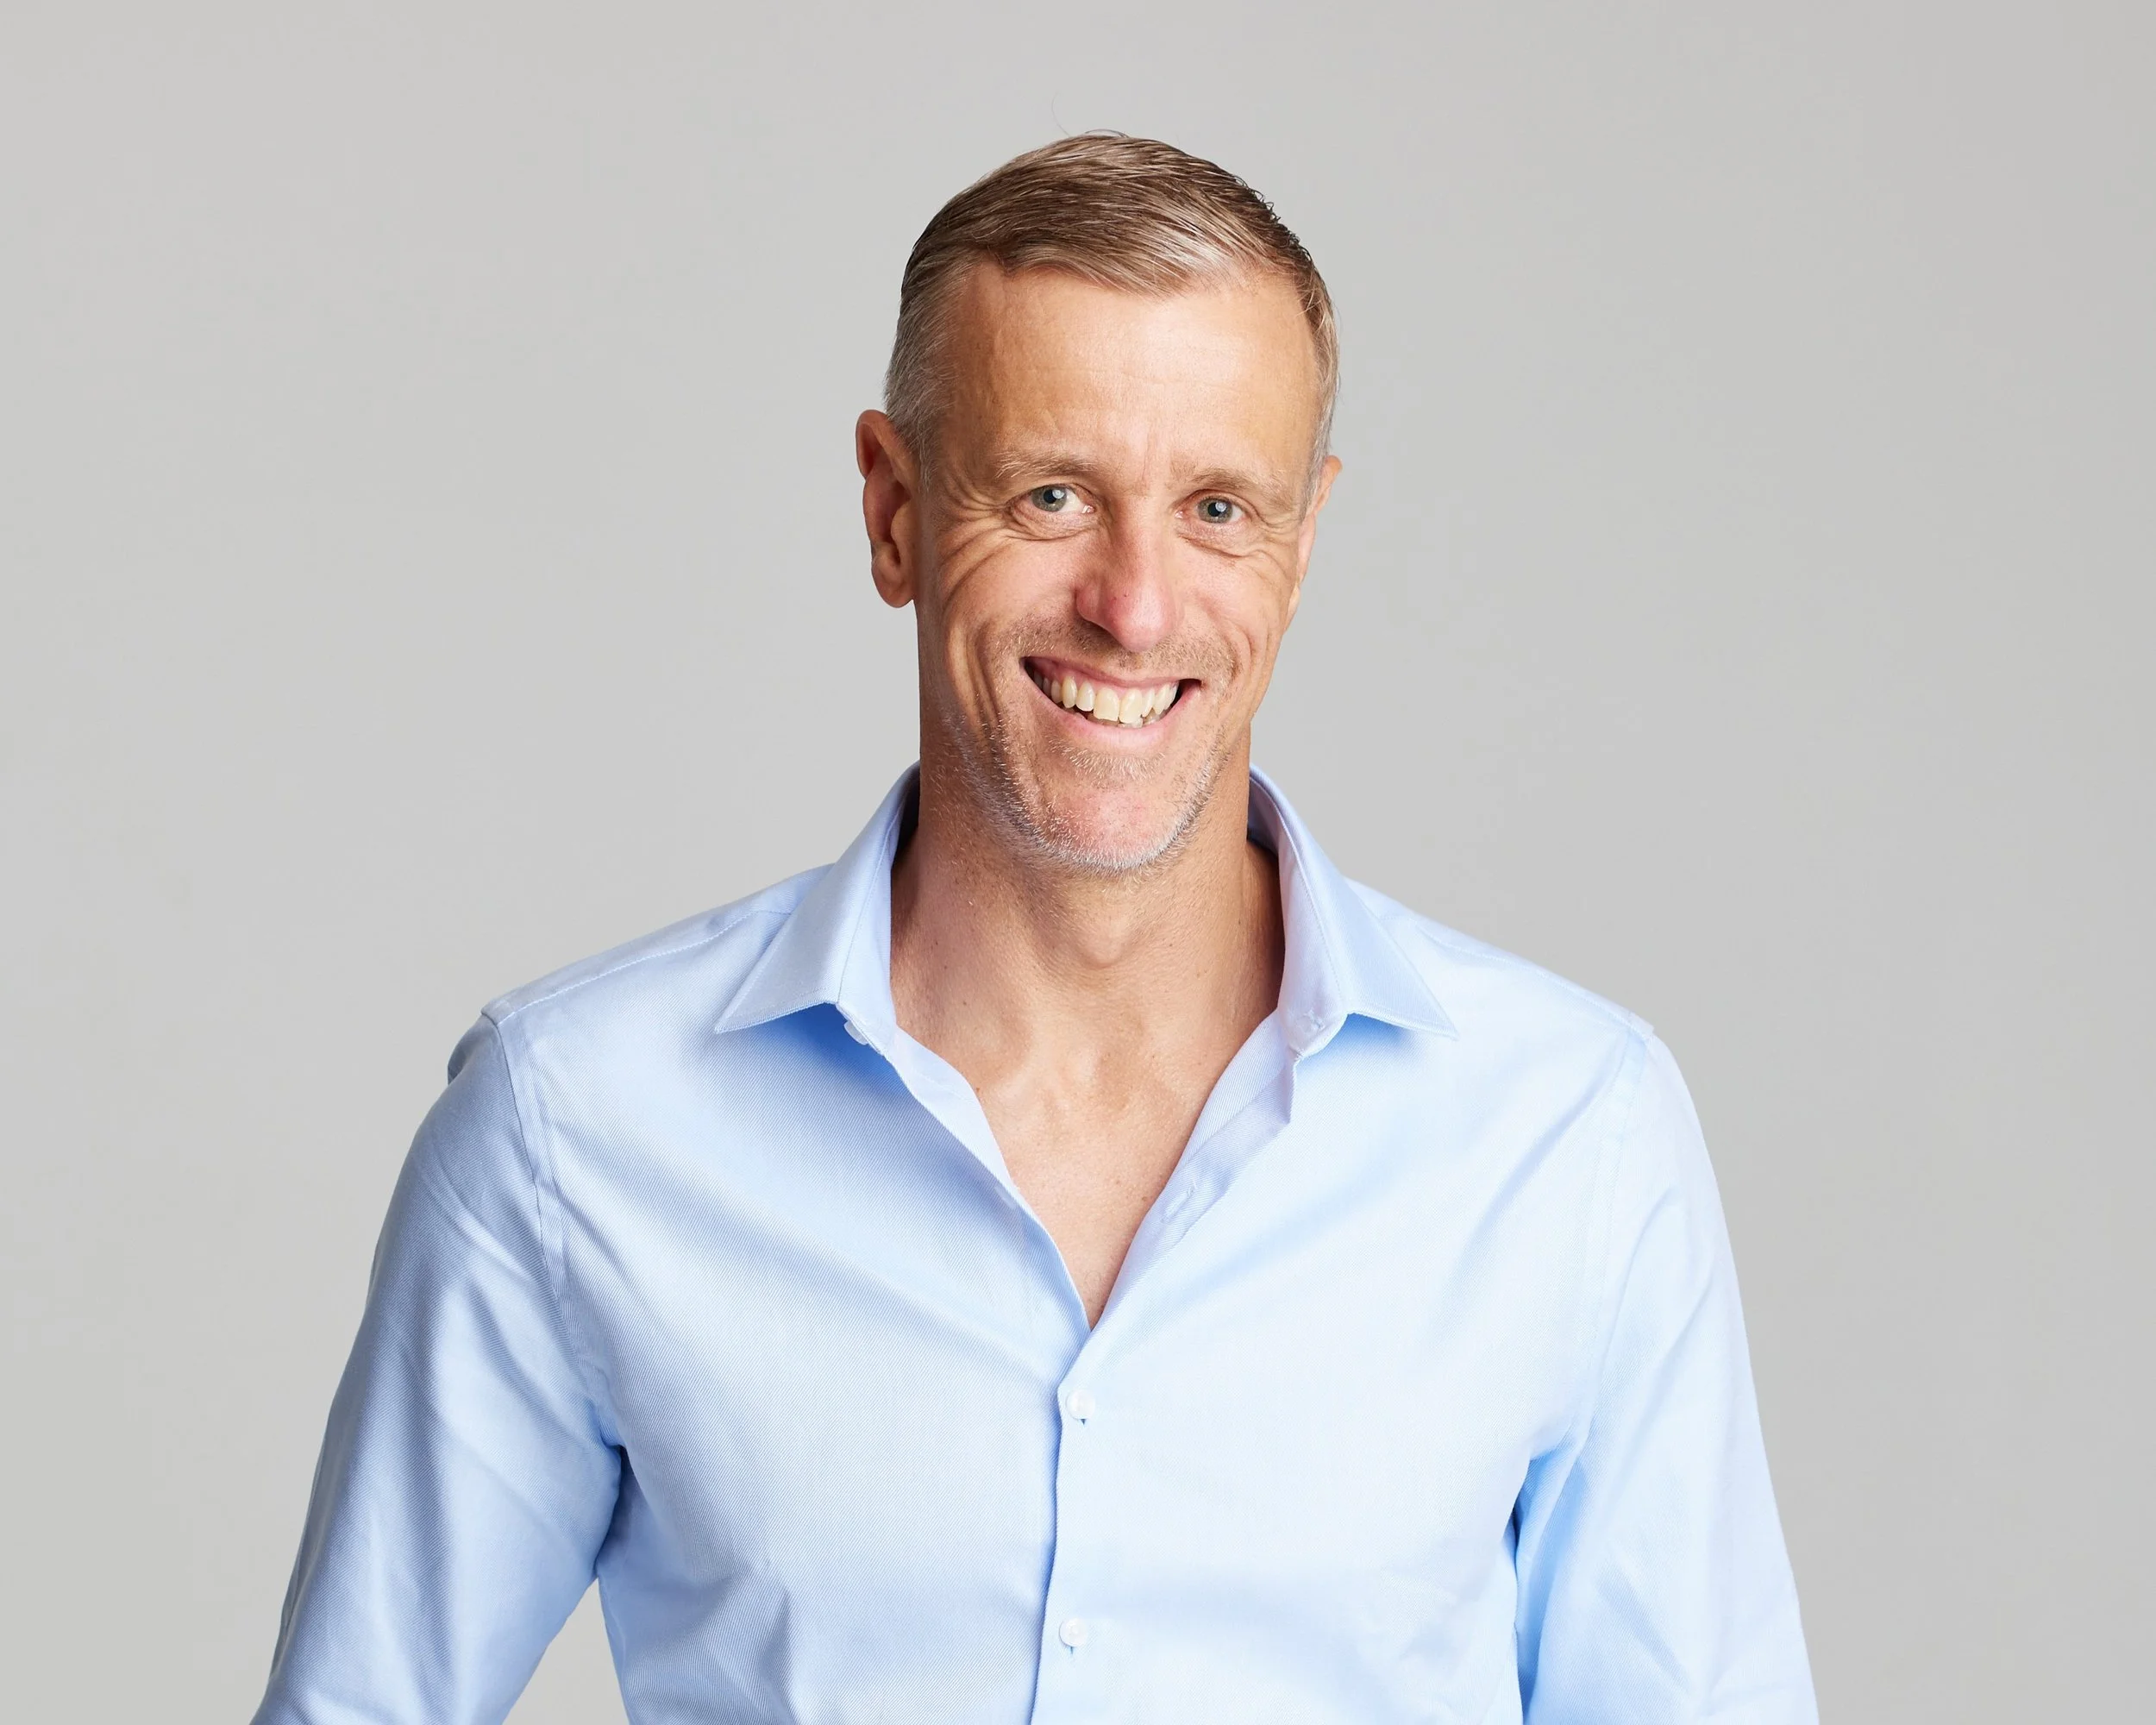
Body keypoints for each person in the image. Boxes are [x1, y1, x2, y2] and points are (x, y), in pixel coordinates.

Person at [254, 134, 1815, 1724]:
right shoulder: (573, 1126)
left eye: (1219, 508)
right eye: (1053, 495)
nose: (1135, 607)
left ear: (1304, 543)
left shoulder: (1570, 1135)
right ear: (892, 510)